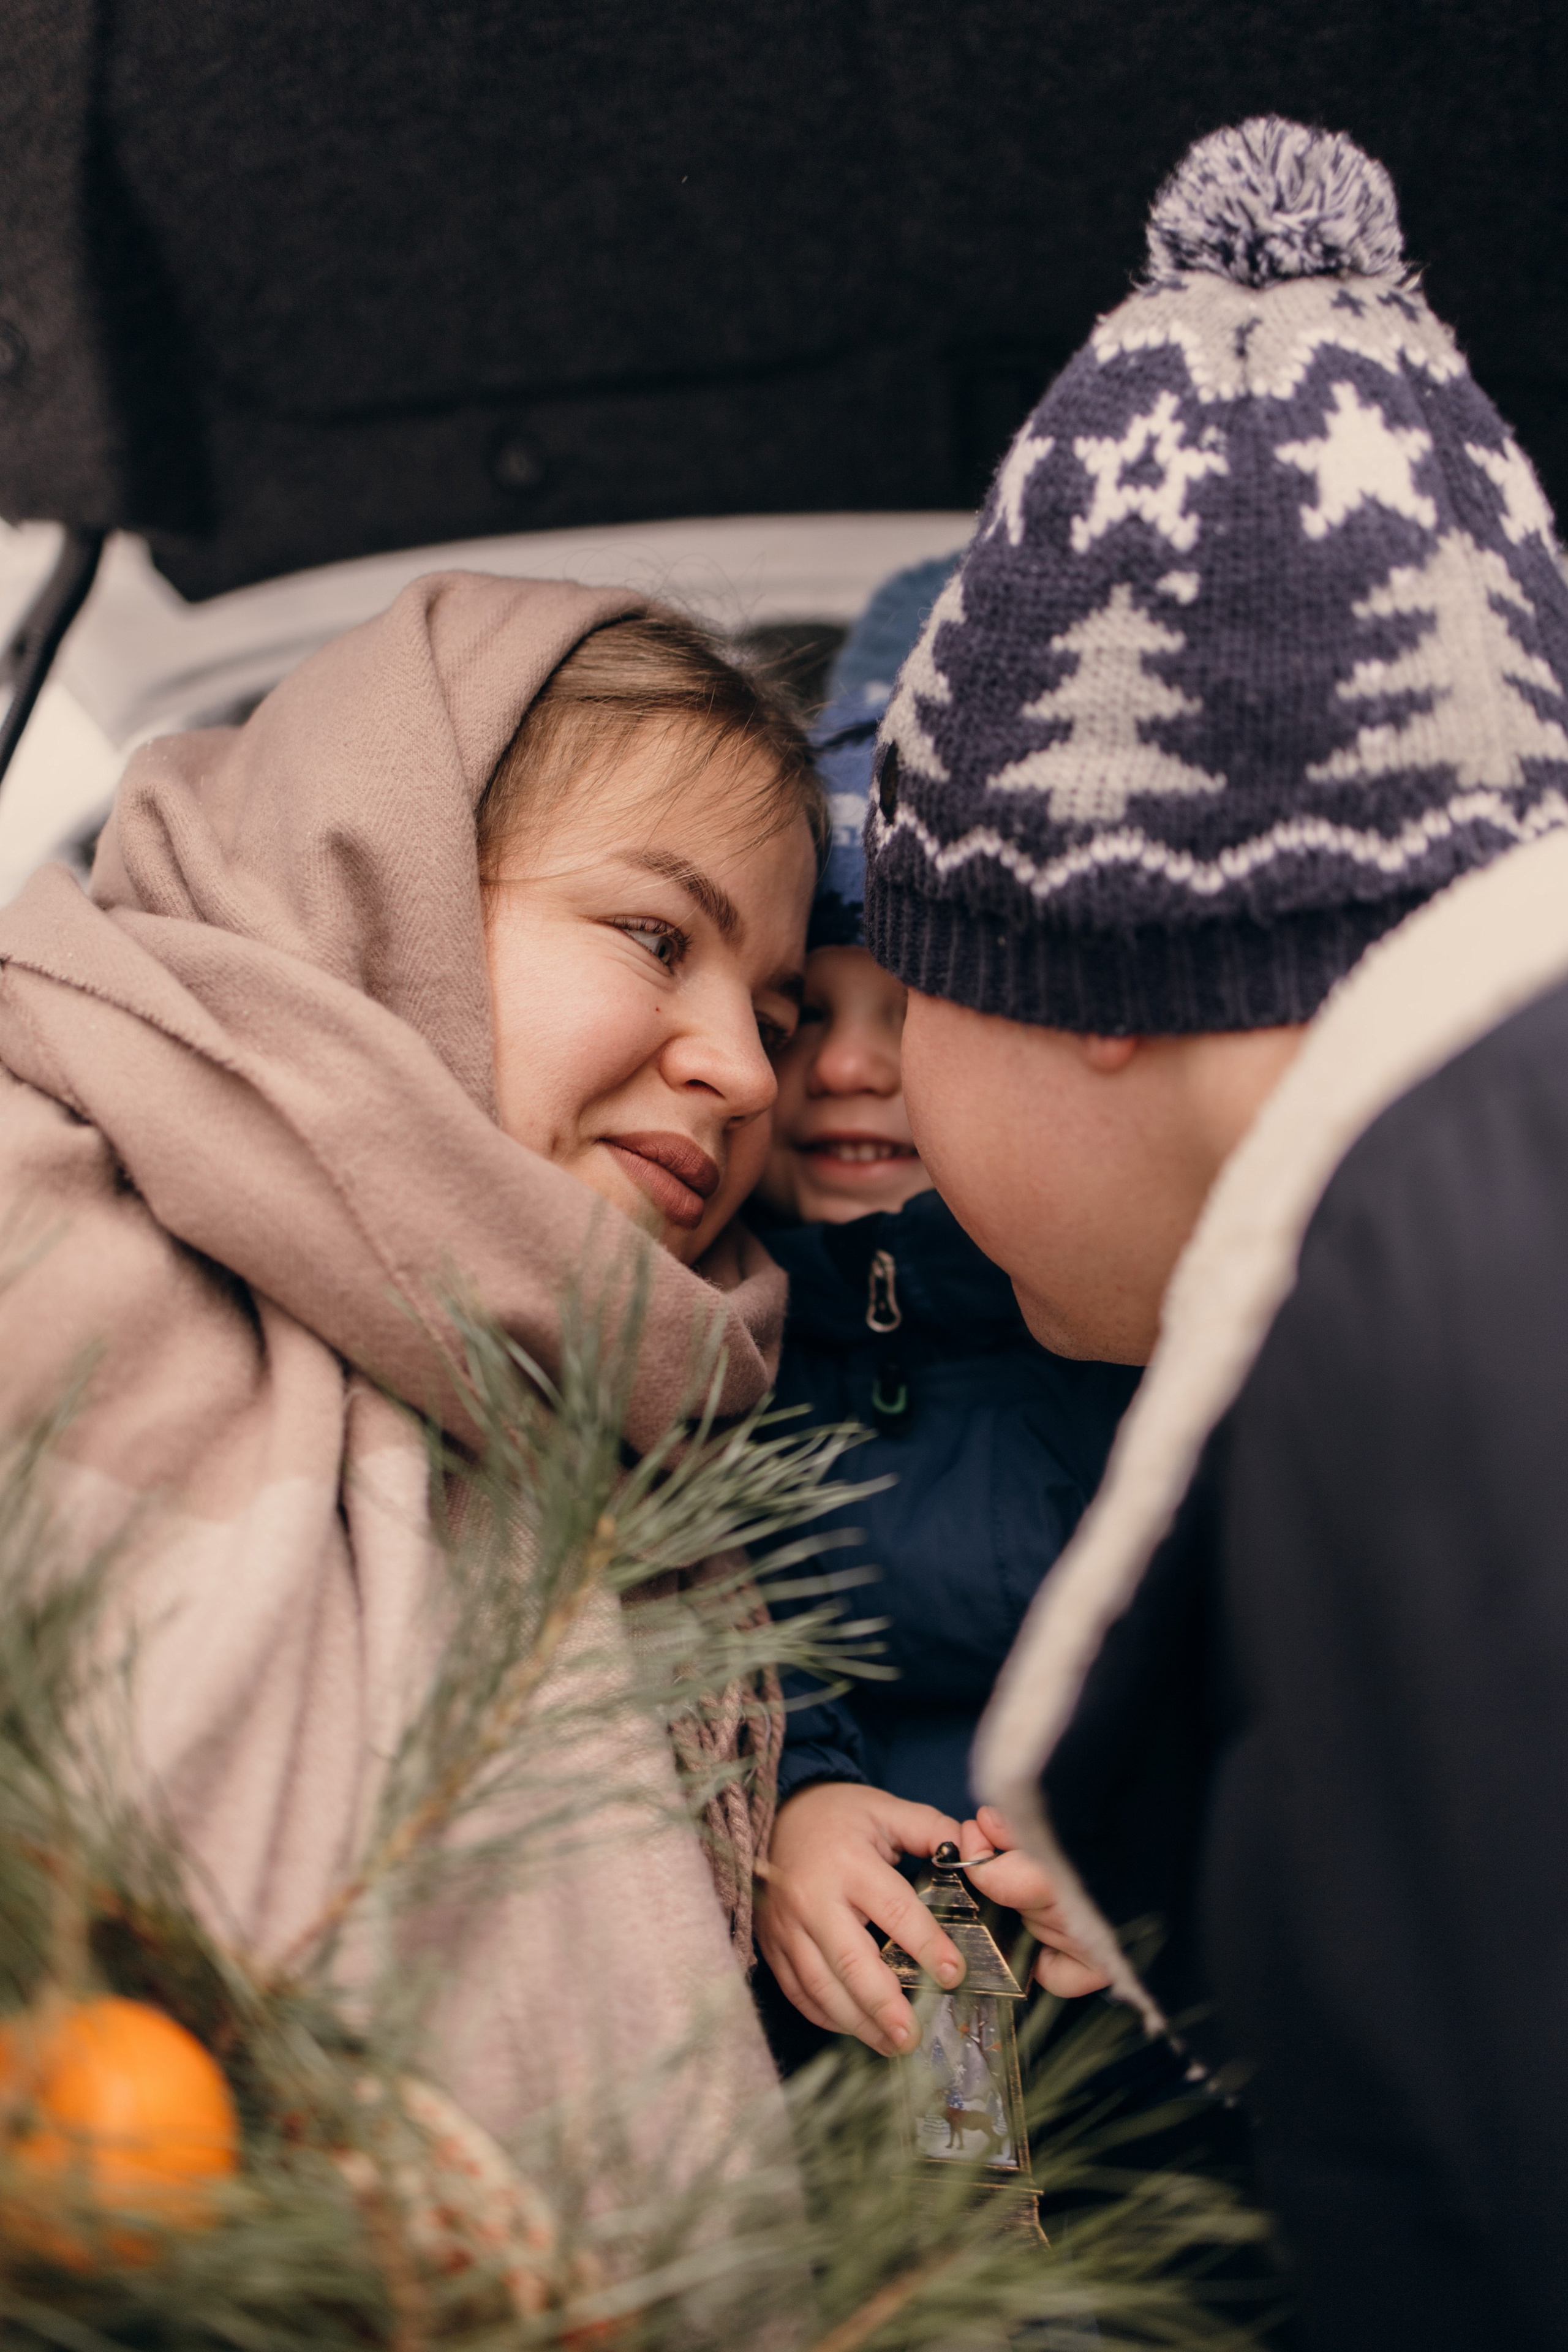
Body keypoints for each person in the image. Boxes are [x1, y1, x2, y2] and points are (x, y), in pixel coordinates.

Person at [860, 116, 1568, 2352]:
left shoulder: (1457, 1347)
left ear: (1090, 975)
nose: (878, 1080)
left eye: (908, 980)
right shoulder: (1474, 1246)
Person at [0, 575, 824, 2158]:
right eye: (657, 938)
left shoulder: (694, 1430)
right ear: (386, 883)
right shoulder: (31, 1220)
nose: (740, 1071)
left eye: (776, 1016)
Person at [750, 572, 1138, 2061]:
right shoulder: (714, 1354)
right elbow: (704, 1635)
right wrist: (787, 1807)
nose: (849, 1067)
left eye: (912, 1010)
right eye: (801, 1015)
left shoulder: (1120, 1342)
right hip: (847, 2062)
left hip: (1134, 2039)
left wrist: (1154, 1846)